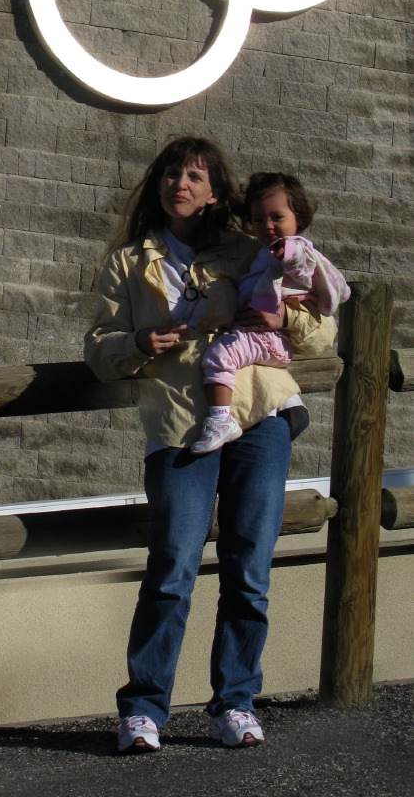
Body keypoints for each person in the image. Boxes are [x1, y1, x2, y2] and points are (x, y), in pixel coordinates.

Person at [84, 137, 335, 755]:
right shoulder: (128, 261)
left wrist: (287, 321)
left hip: (258, 417)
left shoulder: (252, 248)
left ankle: (236, 702)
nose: (181, 184)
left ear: (216, 192)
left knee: (249, 569)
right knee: (172, 568)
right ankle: (144, 710)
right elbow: (97, 345)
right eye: (172, 173)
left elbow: (321, 323)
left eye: (195, 176)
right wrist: (138, 343)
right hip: (177, 425)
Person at [192, 172, 349, 454]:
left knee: (219, 356)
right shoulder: (262, 252)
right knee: (223, 352)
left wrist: (286, 252)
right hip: (261, 334)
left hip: (271, 337)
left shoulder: (294, 248)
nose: (268, 226)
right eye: (258, 219)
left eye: (277, 217)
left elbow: (302, 263)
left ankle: (219, 419)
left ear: (298, 218)